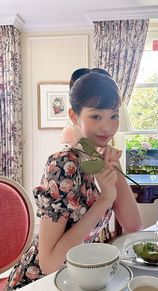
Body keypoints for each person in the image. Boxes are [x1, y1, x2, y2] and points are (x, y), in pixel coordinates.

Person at [5, 68, 142, 290]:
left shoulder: (99, 160)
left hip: (76, 278)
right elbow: (49, 263)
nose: (107, 127)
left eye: (113, 115)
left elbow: (134, 224)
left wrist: (113, 168)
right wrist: (104, 201)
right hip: (41, 283)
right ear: (73, 115)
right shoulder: (62, 164)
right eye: (96, 116)